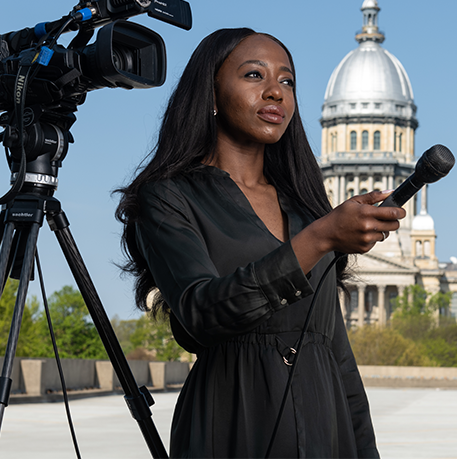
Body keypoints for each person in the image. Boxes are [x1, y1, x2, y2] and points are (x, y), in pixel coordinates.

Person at [115, 28, 405, 459]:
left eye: (287, 81)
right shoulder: (168, 196)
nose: (276, 92)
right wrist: (322, 237)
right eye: (255, 75)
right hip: (231, 425)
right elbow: (202, 313)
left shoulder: (306, 208)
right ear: (210, 95)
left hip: (327, 431)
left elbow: (337, 355)